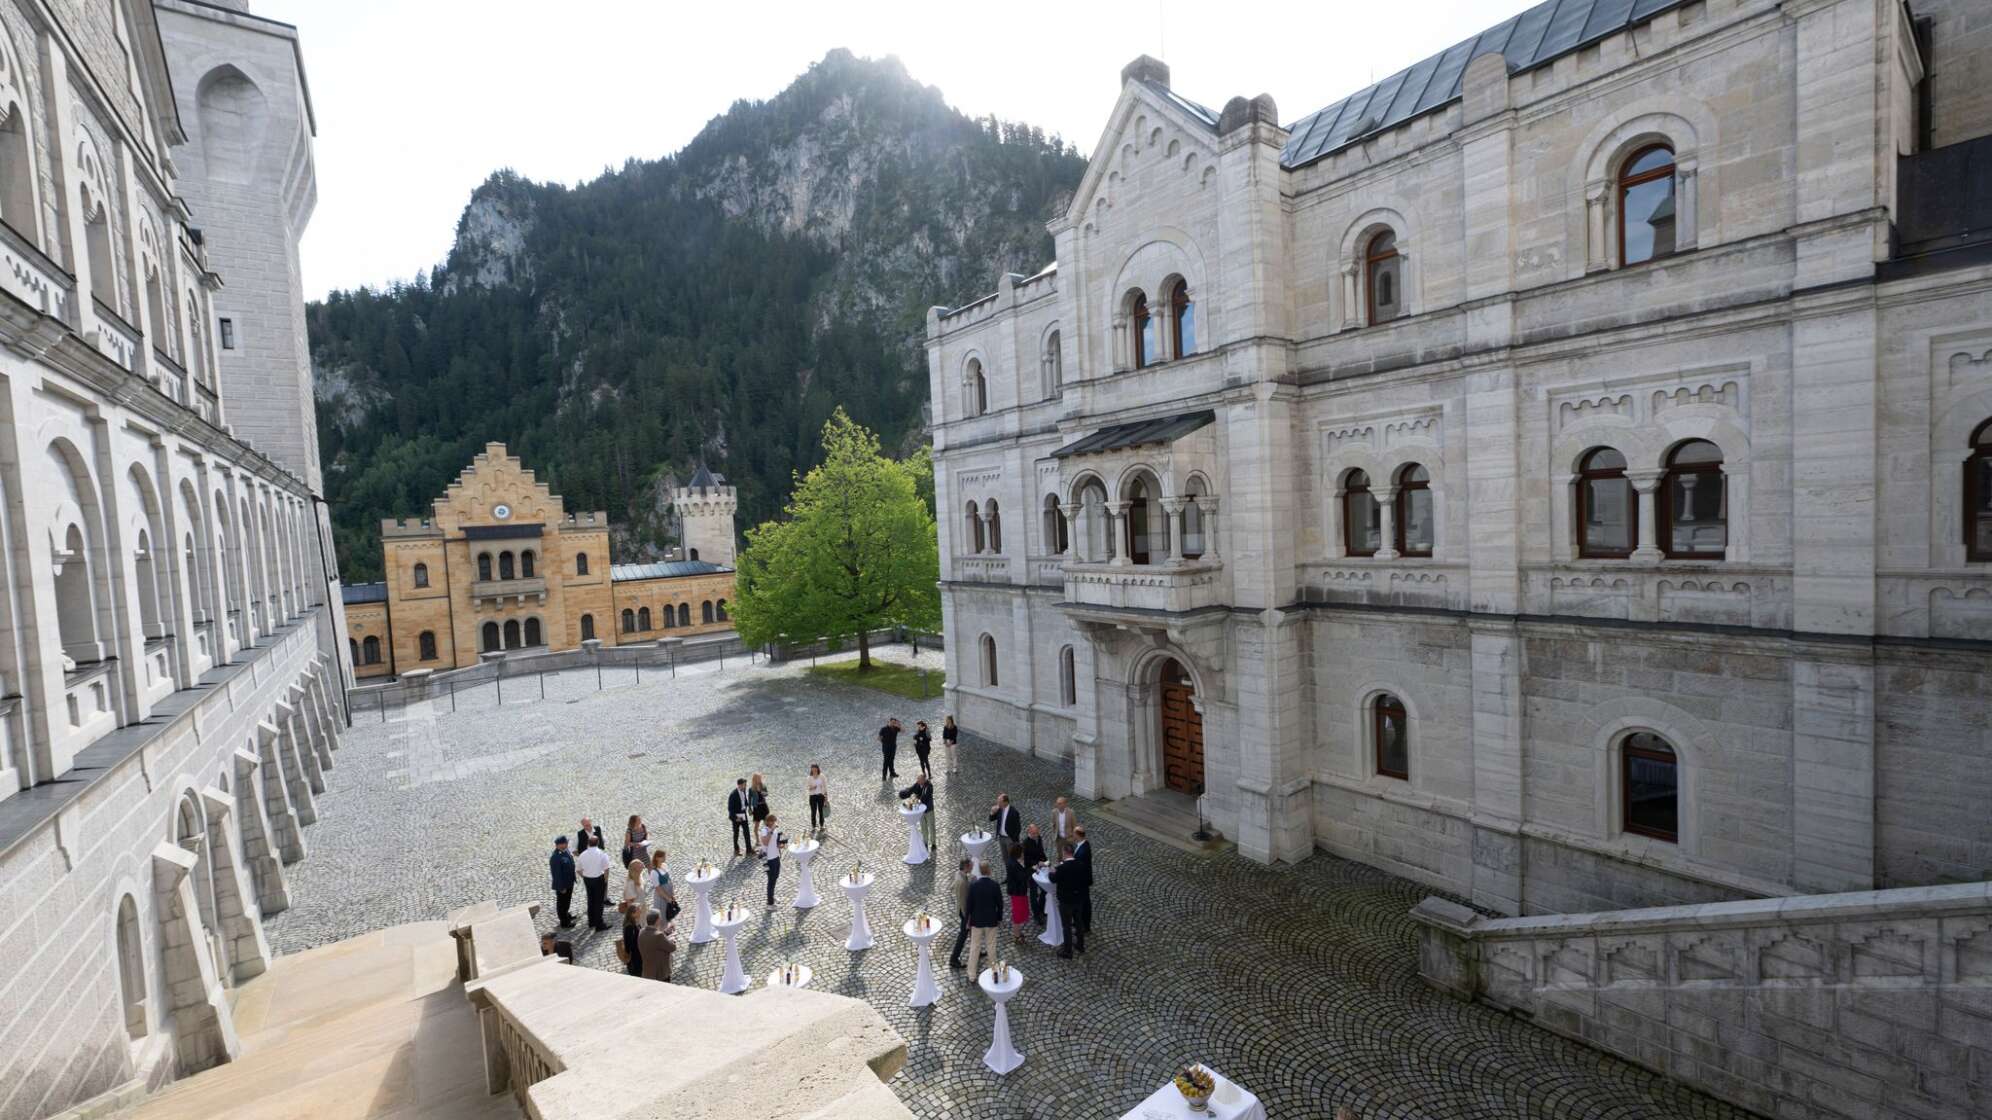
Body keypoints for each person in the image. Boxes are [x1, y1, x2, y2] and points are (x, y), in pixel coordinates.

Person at [964, 862, 1004, 978]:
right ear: (989, 870)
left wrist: (967, 921)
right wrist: (999, 918)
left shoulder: (973, 885)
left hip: (976, 921)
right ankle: (994, 972)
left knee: (974, 947)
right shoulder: (995, 885)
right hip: (991, 921)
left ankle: (972, 974)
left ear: (980, 871)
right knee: (991, 946)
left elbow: (969, 906)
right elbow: (1000, 904)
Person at [1051, 843, 1086, 958]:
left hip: (1066, 902)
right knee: (1078, 922)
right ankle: (1080, 945)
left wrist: (1052, 871)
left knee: (1066, 926)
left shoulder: (1062, 868)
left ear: (1065, 853)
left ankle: (1067, 950)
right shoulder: (1081, 865)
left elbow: (1053, 879)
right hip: (1078, 899)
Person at [576, 829, 615, 930]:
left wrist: (584, 876)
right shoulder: (602, 854)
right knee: (598, 902)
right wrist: (605, 880)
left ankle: (591, 921)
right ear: (598, 843)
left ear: (588, 843)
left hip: (588, 879)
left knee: (591, 900)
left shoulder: (582, 854)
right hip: (598, 879)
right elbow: (606, 869)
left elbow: (578, 870)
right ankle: (599, 924)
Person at [946, 858, 972, 969]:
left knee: (971, 931)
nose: (972, 866)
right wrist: (968, 918)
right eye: (970, 865)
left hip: (962, 911)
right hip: (965, 912)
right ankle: (954, 958)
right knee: (963, 935)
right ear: (966, 867)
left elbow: (951, 887)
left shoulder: (959, 874)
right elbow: (963, 901)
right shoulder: (962, 883)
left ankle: (975, 950)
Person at [898, 773, 936, 851]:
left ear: (923, 780)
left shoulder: (929, 786)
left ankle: (933, 843)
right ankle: (925, 842)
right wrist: (905, 792)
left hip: (929, 810)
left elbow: (925, 797)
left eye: (919, 780)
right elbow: (911, 789)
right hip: (921, 811)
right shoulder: (918, 784)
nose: (918, 781)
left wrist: (917, 800)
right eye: (917, 780)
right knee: (923, 827)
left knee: (931, 826)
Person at [1021, 825, 1049, 925]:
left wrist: (1046, 861)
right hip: (1031, 870)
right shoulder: (1025, 843)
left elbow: (1041, 852)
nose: (1036, 835)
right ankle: (1036, 915)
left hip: (1041, 868)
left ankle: (1041, 908)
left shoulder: (1039, 838)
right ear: (1029, 832)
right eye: (1034, 833)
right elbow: (1026, 860)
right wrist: (1037, 863)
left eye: (1037, 833)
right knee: (1033, 894)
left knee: (1045, 890)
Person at [637, 911, 675, 981]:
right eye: (659, 919)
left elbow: (653, 940)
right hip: (660, 974)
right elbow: (672, 948)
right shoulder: (659, 936)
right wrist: (672, 940)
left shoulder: (641, 931)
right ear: (657, 921)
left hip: (647, 972)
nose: (660, 920)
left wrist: (665, 933)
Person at [548, 836, 576, 929]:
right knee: (562, 904)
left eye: (566, 843)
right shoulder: (556, 857)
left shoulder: (566, 851)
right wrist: (561, 887)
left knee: (567, 902)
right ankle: (564, 922)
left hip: (569, 882)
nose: (567, 844)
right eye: (565, 843)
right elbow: (557, 874)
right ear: (559, 845)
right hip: (563, 885)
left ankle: (567, 915)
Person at [759, 813, 786, 907]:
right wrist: (772, 830)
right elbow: (765, 842)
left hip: (776, 856)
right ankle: (769, 903)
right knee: (771, 880)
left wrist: (780, 845)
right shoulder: (764, 830)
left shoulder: (774, 830)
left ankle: (771, 896)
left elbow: (774, 843)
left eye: (775, 821)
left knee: (775, 877)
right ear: (768, 822)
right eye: (773, 821)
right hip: (769, 859)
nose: (774, 823)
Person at [1073, 825, 1094, 935]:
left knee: (1084, 904)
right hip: (1084, 880)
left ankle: (1084, 926)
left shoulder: (1082, 851)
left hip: (1082, 882)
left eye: (1074, 833)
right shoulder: (1084, 844)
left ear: (1077, 835)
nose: (1072, 835)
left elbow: (1079, 867)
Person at [1003, 842, 1030, 927]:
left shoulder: (1013, 861)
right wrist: (1031, 870)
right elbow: (1022, 877)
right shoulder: (1014, 864)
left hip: (1018, 890)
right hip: (1017, 892)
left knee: (1020, 912)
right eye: (1022, 852)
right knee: (1017, 915)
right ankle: (1017, 936)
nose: (1023, 854)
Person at [648, 849, 677, 920]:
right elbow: (658, 889)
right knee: (663, 915)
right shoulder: (654, 872)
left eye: (664, 856)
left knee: (669, 914)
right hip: (662, 897)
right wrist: (668, 898)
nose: (665, 858)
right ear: (657, 858)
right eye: (663, 856)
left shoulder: (664, 865)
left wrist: (672, 894)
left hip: (669, 893)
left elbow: (669, 879)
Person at [727, 778, 752, 856]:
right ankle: (736, 849)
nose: (746, 786)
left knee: (747, 832)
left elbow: (744, 801)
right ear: (740, 785)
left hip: (743, 813)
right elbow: (730, 808)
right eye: (744, 784)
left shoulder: (743, 790)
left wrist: (748, 808)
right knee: (736, 832)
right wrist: (735, 818)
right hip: (736, 816)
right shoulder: (733, 795)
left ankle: (749, 850)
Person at [622, 858, 650, 925]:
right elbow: (630, 902)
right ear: (635, 869)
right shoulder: (630, 883)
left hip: (642, 909)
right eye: (640, 864)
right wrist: (635, 916)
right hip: (636, 912)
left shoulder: (640, 877)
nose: (642, 864)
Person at [619, 899, 644, 976]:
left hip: (638, 955)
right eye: (638, 911)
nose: (641, 912)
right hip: (635, 959)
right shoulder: (629, 927)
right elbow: (628, 946)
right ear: (633, 914)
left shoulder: (635, 923)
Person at [806, 764, 829, 832]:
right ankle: (813, 826)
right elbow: (807, 788)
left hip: (820, 796)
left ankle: (821, 826)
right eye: (812, 769)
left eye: (815, 769)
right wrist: (812, 787)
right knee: (813, 812)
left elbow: (825, 786)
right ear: (811, 770)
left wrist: (826, 796)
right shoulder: (809, 778)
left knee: (821, 811)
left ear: (817, 769)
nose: (814, 770)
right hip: (812, 796)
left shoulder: (822, 776)